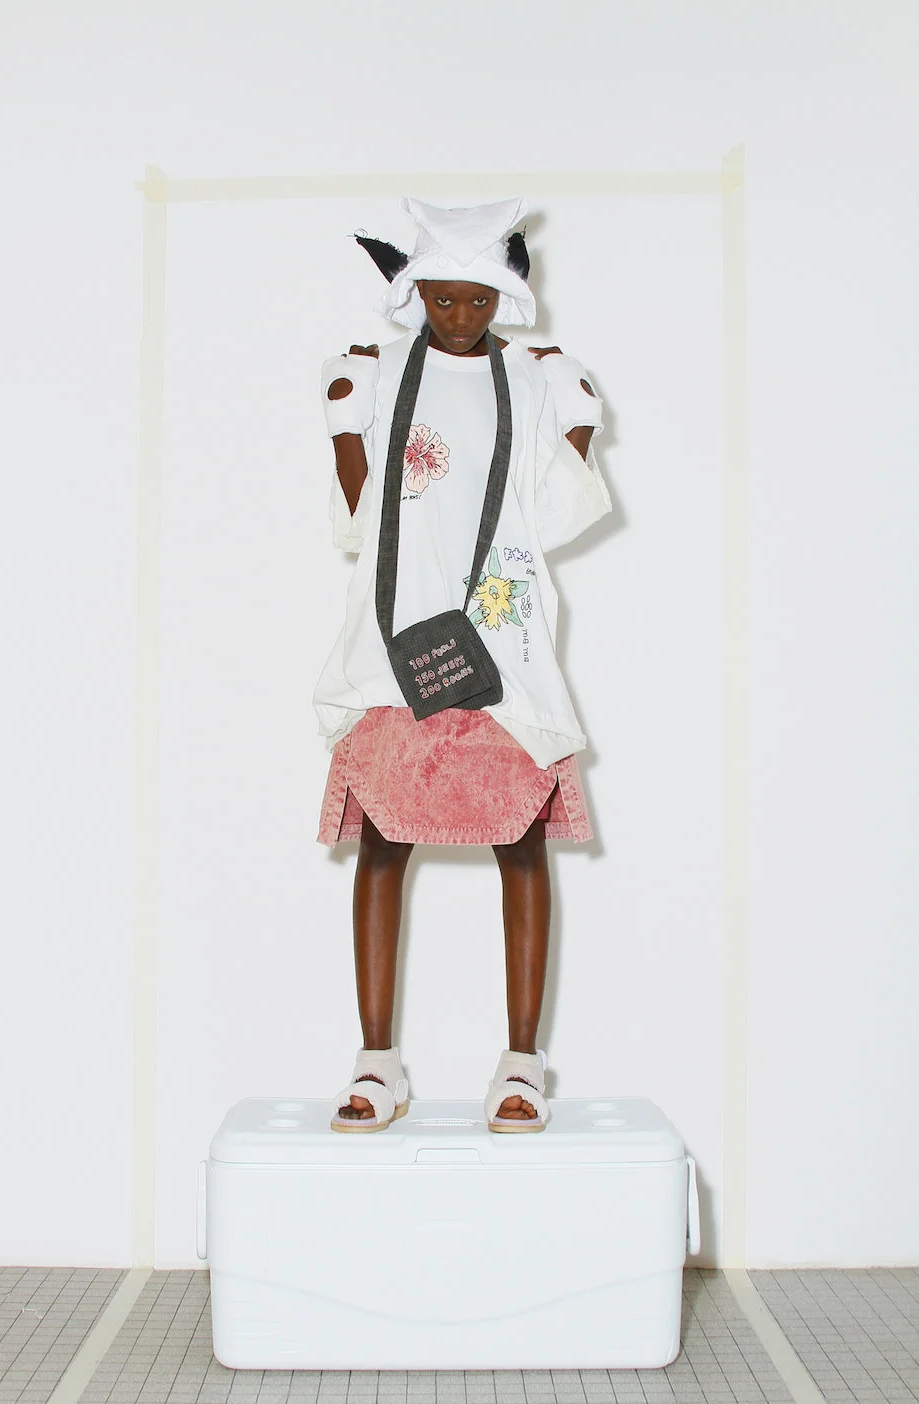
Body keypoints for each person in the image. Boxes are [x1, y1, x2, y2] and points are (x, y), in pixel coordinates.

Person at [314, 197, 611, 1134]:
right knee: (382, 839)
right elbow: (360, 519)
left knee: (519, 841)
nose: (459, 316)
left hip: (499, 634)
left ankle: (522, 1064)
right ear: (416, 293)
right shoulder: (380, 371)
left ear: (502, 296)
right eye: (443, 299)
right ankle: (376, 1063)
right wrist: (344, 427)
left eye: (477, 300)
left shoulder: (527, 377)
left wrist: (578, 423)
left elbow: (552, 515)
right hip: (400, 630)